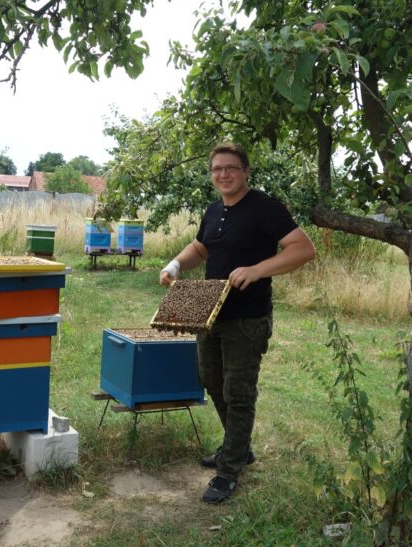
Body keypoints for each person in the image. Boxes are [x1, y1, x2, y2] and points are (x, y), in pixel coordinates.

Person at [159, 142, 316, 504]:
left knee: (238, 392)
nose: (223, 174)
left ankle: (228, 471)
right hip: (210, 313)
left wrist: (258, 270)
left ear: (246, 171)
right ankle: (238, 446)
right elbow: (201, 248)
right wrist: (176, 265)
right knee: (210, 379)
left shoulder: (266, 208)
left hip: (248, 317)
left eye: (231, 168)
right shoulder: (214, 210)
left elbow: (303, 248)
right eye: (217, 169)